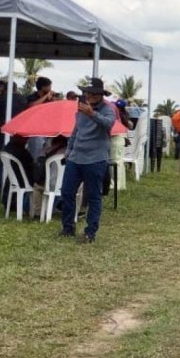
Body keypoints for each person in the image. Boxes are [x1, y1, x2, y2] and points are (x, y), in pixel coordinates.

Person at [59, 77, 116, 242]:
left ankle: (90, 232)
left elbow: (108, 124)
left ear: (100, 95)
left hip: (95, 159)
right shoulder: (81, 110)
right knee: (67, 192)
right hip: (76, 158)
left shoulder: (107, 109)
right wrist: (69, 151)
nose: (89, 95)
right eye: (87, 93)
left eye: (92, 93)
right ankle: (68, 227)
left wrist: (93, 114)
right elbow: (75, 132)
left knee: (93, 196)